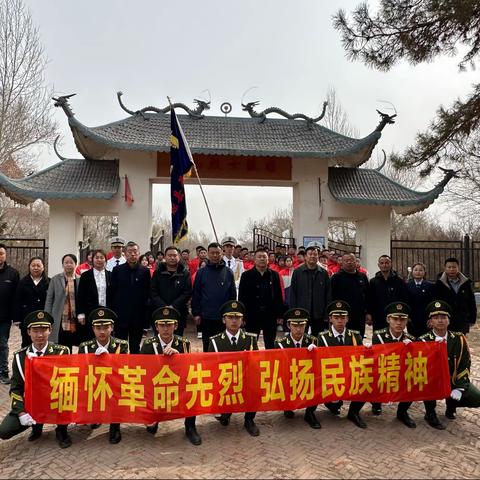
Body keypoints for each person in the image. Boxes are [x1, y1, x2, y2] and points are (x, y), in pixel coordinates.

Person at [0, 310, 71, 448]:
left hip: (55, 400)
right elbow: (15, 388)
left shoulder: (61, 352)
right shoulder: (20, 357)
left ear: (50, 330)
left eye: (43, 330)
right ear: (29, 332)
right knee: (4, 431)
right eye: (35, 330)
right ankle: (36, 426)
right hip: (32, 404)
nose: (39, 335)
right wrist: (21, 413)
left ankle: (62, 430)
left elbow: (68, 383)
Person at [140, 306, 201, 446]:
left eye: (169, 325)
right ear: (156, 326)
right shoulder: (148, 345)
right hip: (157, 386)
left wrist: (178, 358)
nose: (166, 329)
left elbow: (189, 371)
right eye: (162, 325)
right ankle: (152, 419)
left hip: (177, 385)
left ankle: (190, 426)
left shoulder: (184, 344)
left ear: (176, 325)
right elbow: (142, 372)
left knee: (193, 388)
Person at [420, 300, 480, 430]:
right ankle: (430, 413)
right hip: (432, 382)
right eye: (436, 318)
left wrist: (459, 388)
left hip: (452, 379)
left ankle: (451, 406)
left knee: (476, 398)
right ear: (430, 322)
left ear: (449, 320)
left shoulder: (459, 339)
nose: (440, 321)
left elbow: (465, 365)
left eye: (443, 317)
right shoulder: (423, 340)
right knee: (427, 386)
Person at [208, 300, 260, 436]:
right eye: (230, 317)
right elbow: (211, 368)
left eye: (237, 317)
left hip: (245, 380)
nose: (234, 321)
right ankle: (225, 412)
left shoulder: (251, 340)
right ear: (223, 320)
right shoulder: (215, 341)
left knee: (256, 385)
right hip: (224, 381)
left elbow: (257, 364)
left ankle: (249, 419)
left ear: (242, 320)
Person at [78, 307, 128, 444]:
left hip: (114, 384)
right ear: (93, 329)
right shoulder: (85, 347)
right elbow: (82, 372)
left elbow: (124, 371)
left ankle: (115, 425)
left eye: (106, 327)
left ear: (111, 328)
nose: (102, 331)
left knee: (120, 389)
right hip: (94, 384)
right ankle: (95, 416)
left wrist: (108, 359)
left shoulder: (121, 345)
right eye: (98, 327)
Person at [317, 301, 367, 428]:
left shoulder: (355, 336)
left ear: (347, 319)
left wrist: (367, 350)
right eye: (336, 317)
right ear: (330, 319)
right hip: (332, 377)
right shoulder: (322, 337)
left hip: (350, 375)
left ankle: (353, 412)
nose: (340, 321)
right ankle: (333, 405)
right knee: (333, 404)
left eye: (342, 317)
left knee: (366, 382)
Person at [371, 302, 417, 426]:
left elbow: (414, 364)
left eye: (402, 319)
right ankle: (376, 403)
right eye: (395, 319)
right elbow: (378, 361)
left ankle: (402, 412)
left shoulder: (410, 339)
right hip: (382, 372)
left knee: (414, 380)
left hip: (400, 374)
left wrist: (411, 349)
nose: (398, 323)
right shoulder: (378, 336)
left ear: (407, 321)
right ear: (388, 319)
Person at [275, 308, 320, 429]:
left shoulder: (313, 341)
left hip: (307, 378)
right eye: (295, 325)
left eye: (302, 325)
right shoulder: (280, 343)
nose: (298, 329)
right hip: (289, 378)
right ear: (289, 325)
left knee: (318, 381)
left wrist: (316, 352)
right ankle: (287, 406)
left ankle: (310, 413)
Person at [192, 242, 236, 352]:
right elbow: (196, 293)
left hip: (223, 317)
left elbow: (232, 295)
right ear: (208, 254)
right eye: (212, 253)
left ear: (222, 253)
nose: (215, 255)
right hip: (206, 316)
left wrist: (231, 313)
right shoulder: (201, 272)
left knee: (223, 345)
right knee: (207, 344)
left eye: (217, 253)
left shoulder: (228, 272)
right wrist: (196, 313)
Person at [108, 241, 150, 353]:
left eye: (135, 252)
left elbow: (147, 294)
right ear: (125, 253)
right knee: (120, 346)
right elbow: (111, 292)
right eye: (130, 252)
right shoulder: (117, 270)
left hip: (138, 316)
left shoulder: (145, 271)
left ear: (139, 253)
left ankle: (134, 369)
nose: (132, 254)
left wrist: (145, 316)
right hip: (120, 316)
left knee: (135, 347)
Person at [238, 248, 285, 349]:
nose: (262, 259)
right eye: (259, 257)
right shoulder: (246, 275)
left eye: (264, 257)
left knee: (270, 343)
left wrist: (280, 315)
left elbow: (278, 296)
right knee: (251, 343)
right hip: (252, 315)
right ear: (254, 260)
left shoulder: (274, 275)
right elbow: (242, 297)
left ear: (268, 260)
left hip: (270, 315)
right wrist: (243, 316)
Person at [150, 246, 192, 337]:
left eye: (174, 255)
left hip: (178, 312)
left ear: (179, 257)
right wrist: (163, 306)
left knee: (177, 341)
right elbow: (153, 291)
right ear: (165, 257)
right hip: (159, 312)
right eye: (169, 255)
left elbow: (187, 292)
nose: (172, 258)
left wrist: (173, 306)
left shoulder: (185, 273)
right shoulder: (158, 273)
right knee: (160, 341)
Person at [289, 245, 331, 335]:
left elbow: (328, 293)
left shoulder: (323, 273)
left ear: (318, 257)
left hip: (318, 313)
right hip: (301, 312)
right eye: (310, 254)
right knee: (300, 337)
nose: (312, 256)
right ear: (305, 256)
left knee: (318, 338)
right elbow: (293, 292)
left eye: (315, 254)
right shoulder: (297, 272)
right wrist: (293, 311)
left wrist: (326, 313)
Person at [44, 253, 80, 351]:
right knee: (60, 343)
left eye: (71, 262)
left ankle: (70, 364)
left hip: (74, 318)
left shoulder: (80, 279)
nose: (68, 265)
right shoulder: (55, 279)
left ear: (75, 264)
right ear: (62, 265)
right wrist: (47, 316)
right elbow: (49, 299)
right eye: (66, 262)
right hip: (59, 317)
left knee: (72, 343)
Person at [14, 256, 49, 349]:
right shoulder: (22, 282)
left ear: (43, 267)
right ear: (29, 267)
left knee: (43, 343)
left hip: (43, 318)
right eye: (33, 265)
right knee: (26, 343)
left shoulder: (49, 282)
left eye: (38, 265)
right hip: (27, 317)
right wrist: (17, 318)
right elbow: (17, 300)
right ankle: (26, 362)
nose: (36, 268)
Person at [77, 249, 112, 344]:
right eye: (97, 257)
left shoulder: (111, 275)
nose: (99, 260)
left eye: (102, 257)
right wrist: (81, 313)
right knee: (90, 338)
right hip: (90, 311)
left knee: (106, 337)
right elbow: (80, 296)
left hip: (107, 311)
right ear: (92, 260)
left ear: (105, 260)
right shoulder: (85, 276)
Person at [330, 253, 369, 337]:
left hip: (359, 315)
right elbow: (331, 297)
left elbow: (368, 296)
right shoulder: (336, 278)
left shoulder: (362, 277)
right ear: (342, 262)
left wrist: (368, 313)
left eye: (351, 260)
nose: (349, 262)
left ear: (356, 262)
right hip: (342, 316)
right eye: (346, 260)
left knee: (358, 339)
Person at [366, 254, 408, 331]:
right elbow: (369, 299)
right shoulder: (373, 282)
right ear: (378, 265)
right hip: (378, 316)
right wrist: (369, 313)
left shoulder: (399, 281)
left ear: (391, 264)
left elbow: (404, 298)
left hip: (395, 316)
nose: (384, 265)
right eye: (382, 263)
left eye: (387, 263)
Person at [435, 257, 476, 334]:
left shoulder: (466, 283)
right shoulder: (439, 284)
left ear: (458, 268)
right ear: (445, 268)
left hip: (462, 320)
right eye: (449, 267)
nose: (451, 269)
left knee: (460, 343)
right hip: (445, 321)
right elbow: (436, 302)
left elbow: (471, 302)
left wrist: (472, 319)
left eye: (454, 267)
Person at [0, 244, 20, 384]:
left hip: (4, 317)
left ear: (5, 255)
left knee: (2, 344)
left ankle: (4, 371)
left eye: (1, 253)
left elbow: (16, 297)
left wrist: (15, 315)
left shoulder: (13, 273)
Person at [406, 262, 435, 338]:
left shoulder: (430, 286)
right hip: (411, 320)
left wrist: (431, 317)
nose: (418, 272)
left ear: (424, 272)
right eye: (415, 270)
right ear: (412, 272)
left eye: (420, 270)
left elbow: (433, 303)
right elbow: (405, 302)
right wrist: (407, 316)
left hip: (426, 320)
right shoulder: (407, 285)